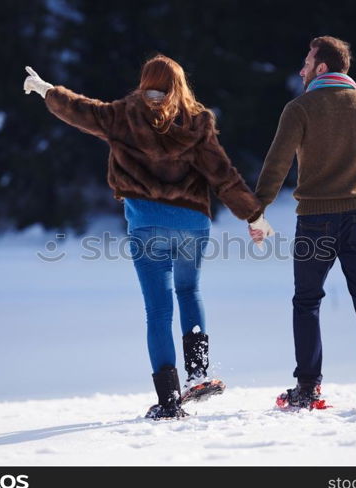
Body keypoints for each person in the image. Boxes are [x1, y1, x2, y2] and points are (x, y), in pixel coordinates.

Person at [23, 55, 263, 419]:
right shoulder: (197, 121)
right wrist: (253, 213)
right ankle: (198, 374)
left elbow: (81, 110)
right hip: (192, 224)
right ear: (180, 83)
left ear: (144, 79)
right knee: (189, 292)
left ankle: (168, 401)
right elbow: (222, 174)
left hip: (147, 223)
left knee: (158, 309)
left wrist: (47, 91)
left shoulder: (123, 115)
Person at [248, 36, 356, 410]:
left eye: (306, 62)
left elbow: (277, 164)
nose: (301, 69)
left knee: (306, 303)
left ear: (321, 67)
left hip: (315, 221)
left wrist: (259, 210)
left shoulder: (300, 108)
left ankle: (307, 389)